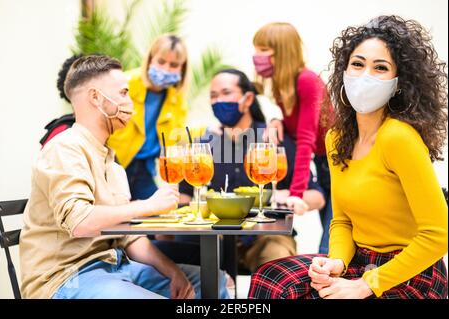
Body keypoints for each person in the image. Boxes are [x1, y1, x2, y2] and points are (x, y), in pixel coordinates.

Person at [248, 15, 448, 299]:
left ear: (398, 83)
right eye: (357, 64)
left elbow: (439, 235)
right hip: (359, 263)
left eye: (380, 68)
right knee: (271, 278)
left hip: (410, 273)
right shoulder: (336, 139)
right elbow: (342, 221)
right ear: (344, 71)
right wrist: (336, 262)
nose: (365, 75)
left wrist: (366, 285)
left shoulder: (399, 138)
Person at [19, 55, 229, 299]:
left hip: (116, 266)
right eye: (123, 93)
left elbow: (127, 236)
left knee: (211, 281)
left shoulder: (112, 161)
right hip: (67, 277)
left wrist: (172, 272)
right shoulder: (64, 148)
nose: (131, 103)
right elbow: (79, 222)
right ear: (96, 98)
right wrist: (146, 206)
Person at [176, 69, 326, 272]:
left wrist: (284, 195)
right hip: (213, 240)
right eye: (213, 96)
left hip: (264, 239)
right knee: (180, 256)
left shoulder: (273, 138)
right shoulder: (204, 145)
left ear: (247, 99)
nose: (218, 100)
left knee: (277, 256)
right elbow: (185, 196)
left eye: (226, 93)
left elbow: (318, 196)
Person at [252, 22, 334, 253]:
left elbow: (306, 140)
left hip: (340, 163)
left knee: (331, 245)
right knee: (331, 241)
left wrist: (296, 194)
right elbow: (296, 128)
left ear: (282, 52)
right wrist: (277, 121)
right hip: (323, 164)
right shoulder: (283, 86)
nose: (256, 56)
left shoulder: (307, 81)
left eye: (263, 50)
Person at [107, 34, 196, 201]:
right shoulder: (124, 84)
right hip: (113, 165)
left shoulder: (177, 100)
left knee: (157, 215)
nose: (166, 69)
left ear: (182, 69)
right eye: (161, 62)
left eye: (174, 65)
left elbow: (172, 143)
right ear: (150, 60)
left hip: (144, 169)